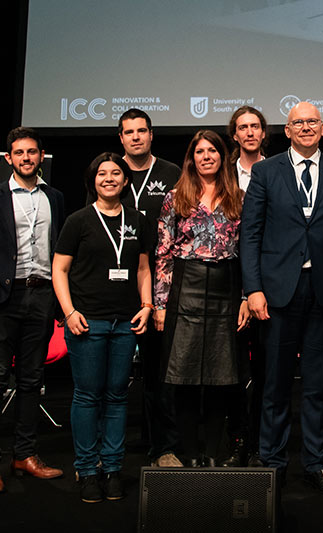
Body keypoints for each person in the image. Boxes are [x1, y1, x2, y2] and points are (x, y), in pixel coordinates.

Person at [240, 102, 323, 496]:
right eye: (298, 122)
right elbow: (250, 234)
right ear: (286, 130)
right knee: (275, 384)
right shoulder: (266, 172)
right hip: (276, 292)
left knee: (318, 384)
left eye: (312, 122)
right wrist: (252, 289)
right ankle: (273, 463)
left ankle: (316, 465)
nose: (305, 127)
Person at [0, 127, 65, 493]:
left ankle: (25, 454)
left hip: (41, 296)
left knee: (32, 380)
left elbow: (62, 252)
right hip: (0, 300)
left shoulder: (56, 197)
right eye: (19, 153)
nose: (26, 158)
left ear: (40, 156)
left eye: (32, 152)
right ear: (9, 158)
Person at [52, 152, 152, 503]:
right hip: (87, 321)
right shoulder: (78, 220)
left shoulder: (137, 220)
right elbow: (59, 270)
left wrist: (147, 305)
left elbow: (142, 268)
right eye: (102, 174)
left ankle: (111, 468)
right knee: (87, 395)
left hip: (125, 322)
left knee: (117, 396)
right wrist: (68, 313)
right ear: (92, 180)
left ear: (126, 181)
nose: (109, 178)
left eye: (116, 173)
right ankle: (87, 469)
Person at [153, 130, 250, 467]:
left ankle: (211, 452)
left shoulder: (238, 196)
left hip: (226, 288)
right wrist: (161, 305)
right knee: (185, 378)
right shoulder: (175, 196)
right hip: (186, 287)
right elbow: (163, 253)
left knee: (220, 377)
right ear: (191, 158)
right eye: (200, 151)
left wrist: (244, 298)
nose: (206, 156)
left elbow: (246, 252)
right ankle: (190, 453)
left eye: (213, 151)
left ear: (223, 157)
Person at [117, 108, 181, 468]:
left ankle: (163, 447)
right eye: (129, 132)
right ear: (121, 138)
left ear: (151, 135)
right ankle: (107, 452)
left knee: (160, 371)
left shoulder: (171, 173)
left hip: (160, 287)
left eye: (142, 130)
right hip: (118, 286)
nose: (136, 137)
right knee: (115, 373)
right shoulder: (110, 171)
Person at [223, 106, 269, 468]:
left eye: (255, 126)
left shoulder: (279, 171)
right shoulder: (221, 175)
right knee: (231, 370)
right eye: (243, 127)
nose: (250, 132)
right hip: (226, 283)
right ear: (234, 135)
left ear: (264, 133)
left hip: (266, 284)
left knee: (266, 371)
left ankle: (261, 442)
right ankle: (236, 440)